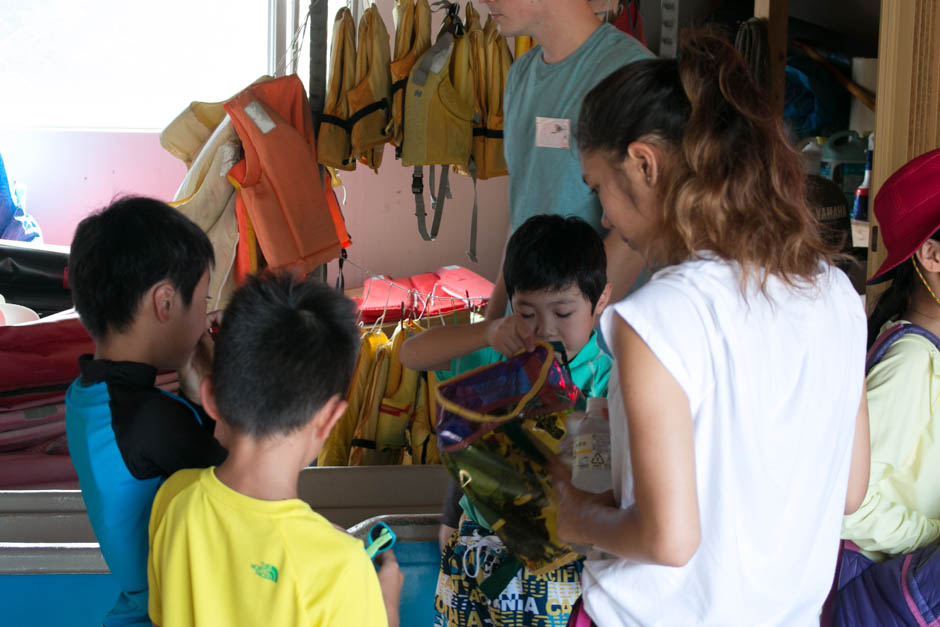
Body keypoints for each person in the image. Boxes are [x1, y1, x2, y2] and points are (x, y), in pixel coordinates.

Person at [555, 28, 871, 626]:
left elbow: (668, 538)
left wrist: (575, 515)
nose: (604, 215)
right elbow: (849, 490)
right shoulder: (836, 296)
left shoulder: (659, 317)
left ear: (644, 164)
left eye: (600, 188)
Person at [147, 272, 403, 627]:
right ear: (330, 419)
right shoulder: (342, 570)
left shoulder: (174, 498)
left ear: (210, 398)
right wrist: (386, 605)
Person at [400, 214, 613, 627]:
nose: (544, 329)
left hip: (555, 569)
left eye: (563, 313)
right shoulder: (499, 357)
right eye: (527, 312)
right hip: (472, 556)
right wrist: (487, 331)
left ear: (600, 301)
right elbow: (411, 353)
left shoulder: (607, 380)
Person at [65, 196, 227, 626]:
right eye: (202, 301)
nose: (204, 320)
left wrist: (193, 395)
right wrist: (219, 385)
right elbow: (243, 482)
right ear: (165, 303)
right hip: (168, 612)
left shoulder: (86, 395)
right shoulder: (150, 416)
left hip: (138, 602)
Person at [482, 0, 653, 318]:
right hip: (529, 334)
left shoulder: (629, 74)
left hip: (587, 347)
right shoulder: (520, 74)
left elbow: (642, 225)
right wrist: (493, 322)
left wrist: (565, 328)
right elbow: (523, 216)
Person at [831, 149, 940, 625]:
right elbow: (846, 504)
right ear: (932, 255)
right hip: (879, 591)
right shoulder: (911, 362)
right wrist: (929, 535)